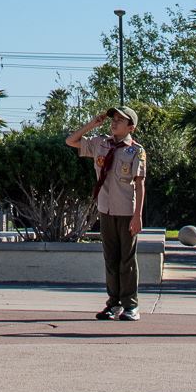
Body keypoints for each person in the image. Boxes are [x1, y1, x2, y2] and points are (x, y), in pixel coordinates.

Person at [67, 103, 147, 321]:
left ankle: (131, 305)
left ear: (131, 127)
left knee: (126, 260)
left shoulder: (136, 151)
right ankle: (113, 304)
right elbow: (71, 141)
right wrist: (92, 124)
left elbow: (139, 184)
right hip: (106, 209)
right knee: (110, 259)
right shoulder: (100, 143)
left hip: (125, 210)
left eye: (120, 120)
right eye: (113, 119)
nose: (114, 123)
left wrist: (137, 215)